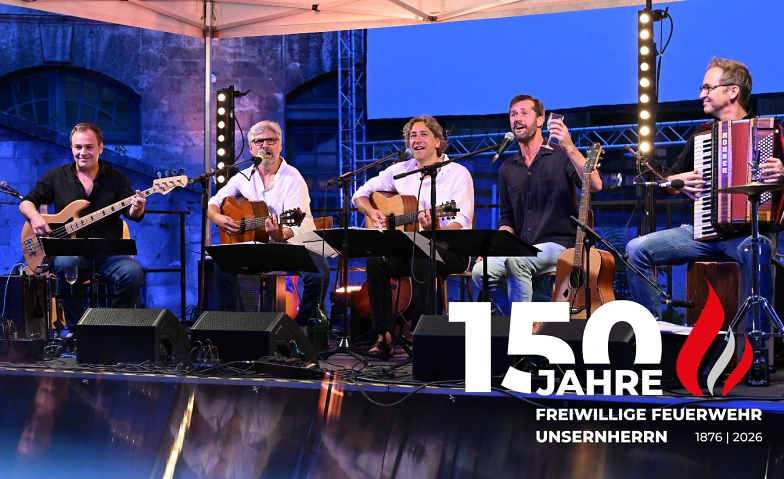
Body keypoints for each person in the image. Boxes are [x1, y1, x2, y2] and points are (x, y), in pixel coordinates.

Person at [626, 58, 784, 329]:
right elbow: (668, 179)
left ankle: (757, 342)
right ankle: (652, 331)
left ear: (733, 91)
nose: (702, 94)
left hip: (750, 234)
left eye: (708, 87)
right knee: (635, 249)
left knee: (756, 249)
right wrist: (677, 182)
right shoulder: (702, 135)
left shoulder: (768, 131)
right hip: (704, 233)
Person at [353, 115, 474, 357]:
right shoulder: (400, 171)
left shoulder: (458, 173)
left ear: (438, 141)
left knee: (421, 261)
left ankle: (422, 339)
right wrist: (373, 212)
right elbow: (359, 195)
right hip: (410, 248)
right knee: (377, 262)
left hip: (452, 249)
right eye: (412, 136)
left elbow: (461, 221)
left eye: (423, 134)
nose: (416, 140)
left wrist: (435, 228)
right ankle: (383, 337)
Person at [471, 95, 603, 316]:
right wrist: (496, 249)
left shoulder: (561, 155)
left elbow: (596, 184)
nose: (517, 118)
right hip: (522, 248)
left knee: (517, 262)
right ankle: (519, 321)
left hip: (560, 245)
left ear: (541, 120)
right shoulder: (507, 168)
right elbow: (507, 219)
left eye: (524, 113)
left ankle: (520, 329)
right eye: (513, 114)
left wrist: (569, 146)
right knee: (481, 271)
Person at [20, 123, 146, 332]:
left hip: (110, 255)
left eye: (89, 147)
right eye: (78, 147)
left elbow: (132, 214)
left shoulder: (117, 179)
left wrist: (137, 207)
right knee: (66, 264)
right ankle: (78, 331)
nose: (83, 152)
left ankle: (115, 329)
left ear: (101, 148)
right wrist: (35, 217)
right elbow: (26, 202)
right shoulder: (56, 177)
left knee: (133, 273)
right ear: (71, 148)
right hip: (72, 254)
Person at [207, 120, 330, 328]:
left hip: (295, 245)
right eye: (259, 141)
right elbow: (214, 202)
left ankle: (300, 327)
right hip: (260, 248)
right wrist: (219, 218)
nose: (265, 145)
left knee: (318, 275)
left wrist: (281, 234)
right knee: (222, 262)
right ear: (252, 148)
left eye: (271, 140)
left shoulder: (293, 178)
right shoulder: (243, 177)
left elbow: (297, 222)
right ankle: (225, 329)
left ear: (280, 145)